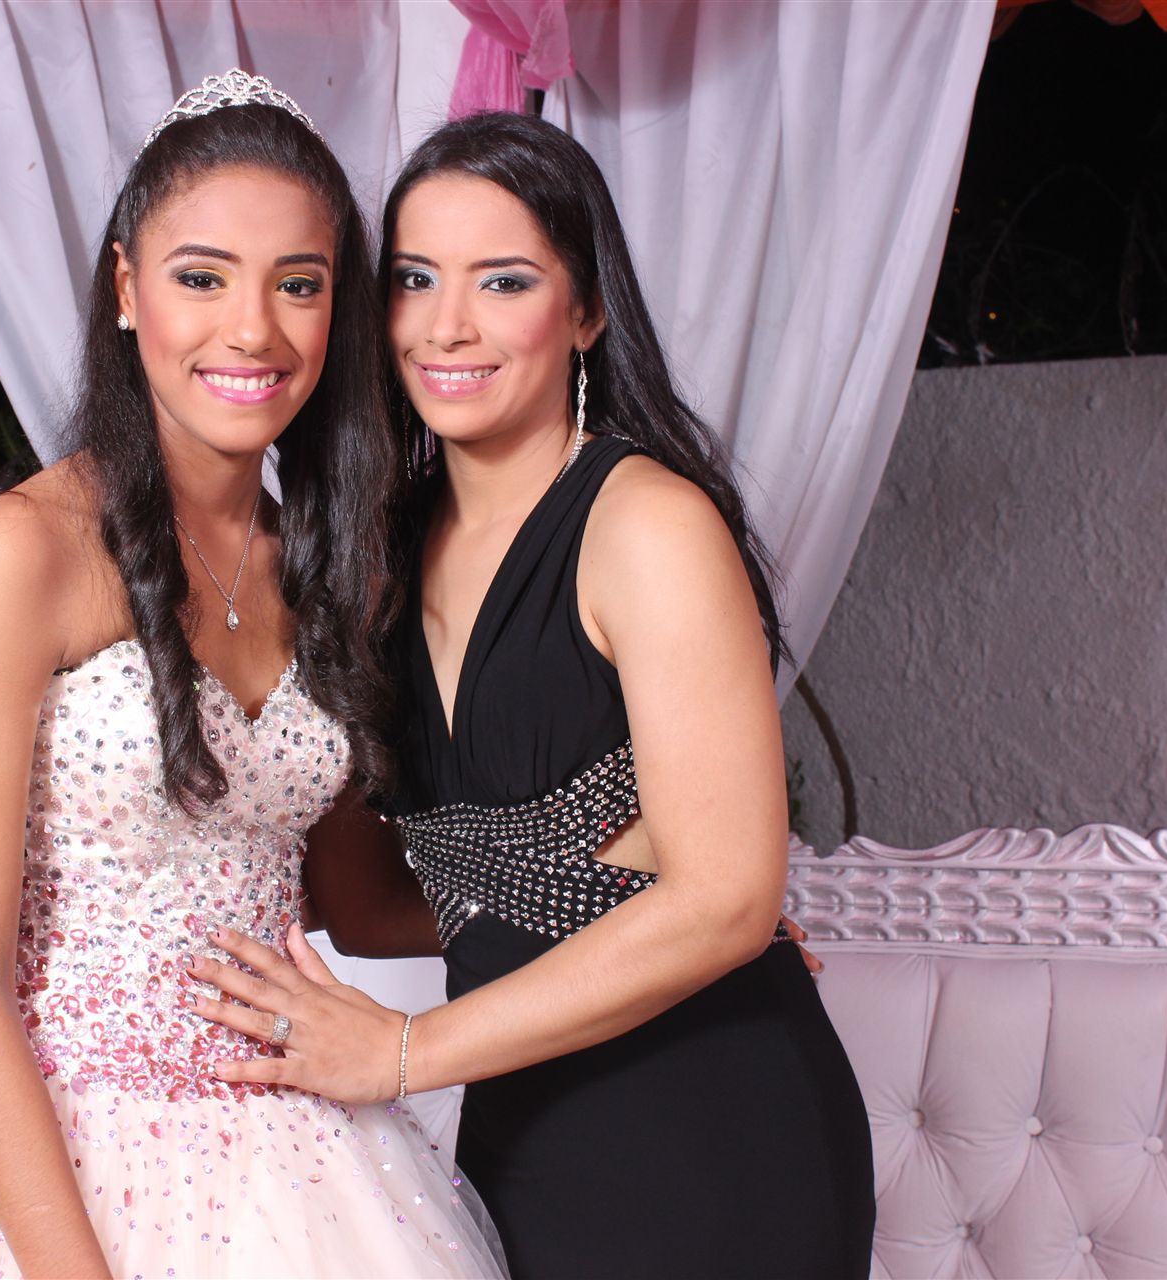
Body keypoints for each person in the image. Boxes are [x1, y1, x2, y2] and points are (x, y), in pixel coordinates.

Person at [0, 73, 502, 1280]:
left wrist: (624, 906)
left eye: (299, 284)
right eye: (202, 277)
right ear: (126, 287)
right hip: (43, 1156)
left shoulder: (330, 570)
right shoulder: (21, 551)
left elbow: (363, 900)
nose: (253, 331)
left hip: (290, 1167)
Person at [192, 112, 876, 1278]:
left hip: (718, 1129)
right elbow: (369, 905)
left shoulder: (648, 525)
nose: (447, 325)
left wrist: (405, 1050)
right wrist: (587, 892)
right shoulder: (374, 557)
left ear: (587, 311)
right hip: (523, 1137)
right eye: (415, 279)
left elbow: (725, 900)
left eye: (503, 280)